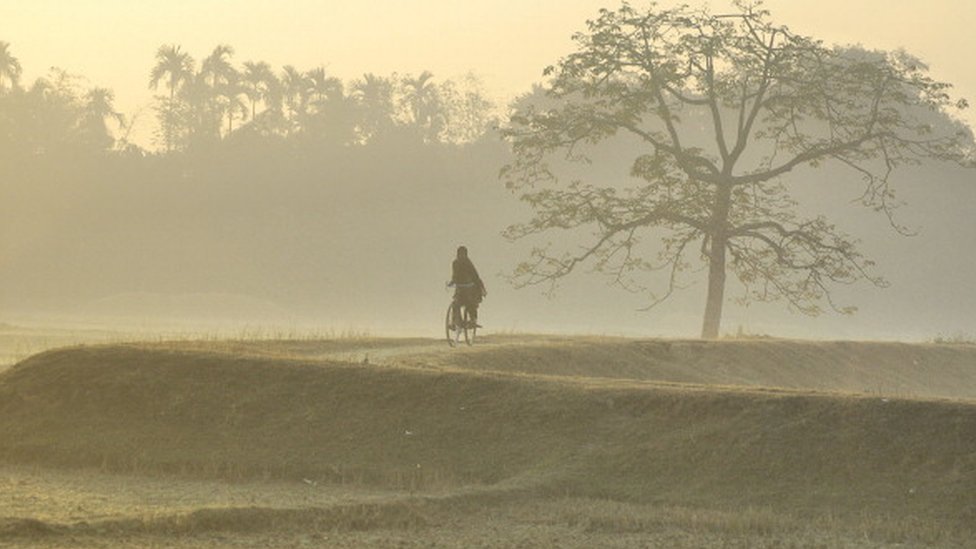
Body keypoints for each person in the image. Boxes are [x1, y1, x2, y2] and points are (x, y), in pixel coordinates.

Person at [451, 245, 486, 329]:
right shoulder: (460, 263)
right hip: (464, 288)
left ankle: (465, 321)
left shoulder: (461, 263)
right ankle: (460, 321)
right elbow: (474, 276)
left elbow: (474, 275)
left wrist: (453, 282)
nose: (461, 255)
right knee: (460, 304)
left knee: (464, 304)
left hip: (464, 289)